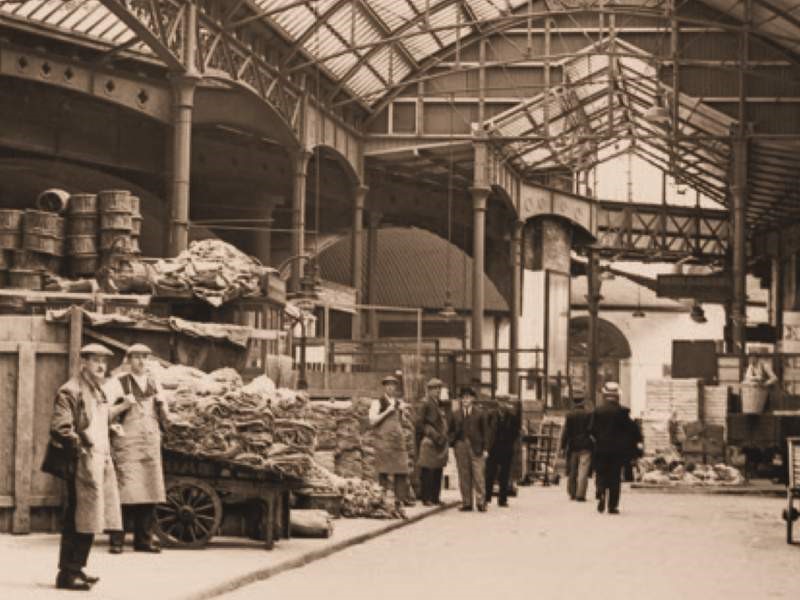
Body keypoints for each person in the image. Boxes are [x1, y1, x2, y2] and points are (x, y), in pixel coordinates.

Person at [50, 344, 133, 591]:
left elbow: (97, 418)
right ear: (83, 363)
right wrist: (81, 446)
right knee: (78, 517)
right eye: (95, 361)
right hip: (82, 462)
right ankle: (68, 573)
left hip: (99, 459)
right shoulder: (70, 390)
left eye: (104, 362)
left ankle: (77, 569)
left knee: (91, 517)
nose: (100, 366)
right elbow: (61, 427)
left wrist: (110, 427)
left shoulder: (97, 390)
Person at [106, 344, 169, 554]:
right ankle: (117, 540)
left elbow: (164, 413)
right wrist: (122, 407)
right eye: (137, 357)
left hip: (149, 443)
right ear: (128, 360)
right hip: (127, 443)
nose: (141, 361)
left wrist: (163, 410)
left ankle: (144, 540)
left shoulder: (154, 383)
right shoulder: (118, 382)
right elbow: (104, 409)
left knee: (150, 491)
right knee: (124, 493)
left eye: (145, 357)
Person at [588, 381, 634, 514]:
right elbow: (629, 432)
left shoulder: (597, 411)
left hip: (601, 449)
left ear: (604, 395)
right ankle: (612, 506)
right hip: (617, 451)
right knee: (615, 477)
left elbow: (590, 430)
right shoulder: (623, 412)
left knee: (601, 473)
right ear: (617, 396)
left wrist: (597, 442)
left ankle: (601, 492)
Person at [368, 374, 410, 514]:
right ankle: (382, 502)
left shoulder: (399, 403)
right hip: (383, 442)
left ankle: (399, 502)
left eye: (393, 385)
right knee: (383, 472)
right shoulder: (377, 403)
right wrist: (388, 411)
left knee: (401, 471)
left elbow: (403, 422)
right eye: (388, 385)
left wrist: (403, 413)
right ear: (384, 387)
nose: (391, 388)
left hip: (397, 443)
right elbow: (372, 421)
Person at [450, 386, 492, 512]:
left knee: (478, 475)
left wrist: (486, 449)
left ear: (473, 399)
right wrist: (454, 443)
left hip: (477, 447)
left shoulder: (480, 413)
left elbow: (486, 432)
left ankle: (481, 502)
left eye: (468, 397)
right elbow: (450, 431)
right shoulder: (455, 414)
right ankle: (467, 503)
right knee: (464, 475)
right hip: (461, 446)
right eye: (463, 397)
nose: (465, 400)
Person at [415, 378, 449, 506]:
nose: (438, 391)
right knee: (428, 470)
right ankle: (426, 498)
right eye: (435, 388)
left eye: (439, 388)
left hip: (440, 441)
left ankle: (435, 497)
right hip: (430, 440)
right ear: (429, 390)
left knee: (438, 469)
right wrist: (431, 433)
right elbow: (419, 423)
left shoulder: (439, 404)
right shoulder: (425, 403)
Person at [485, 394, 521, 507]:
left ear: (507, 403)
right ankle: (487, 498)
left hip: (506, 448)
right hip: (493, 448)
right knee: (490, 473)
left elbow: (516, 432)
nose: (503, 404)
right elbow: (487, 430)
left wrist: (510, 443)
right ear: (497, 402)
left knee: (504, 475)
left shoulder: (512, 416)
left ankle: (502, 499)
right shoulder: (491, 415)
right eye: (501, 402)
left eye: (505, 402)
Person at [560, 395, 593, 502]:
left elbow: (566, 432)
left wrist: (563, 446)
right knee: (583, 470)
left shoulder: (569, 415)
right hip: (585, 445)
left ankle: (572, 492)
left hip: (573, 445)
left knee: (572, 470)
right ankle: (581, 494)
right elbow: (591, 430)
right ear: (583, 402)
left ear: (573, 402)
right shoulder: (588, 414)